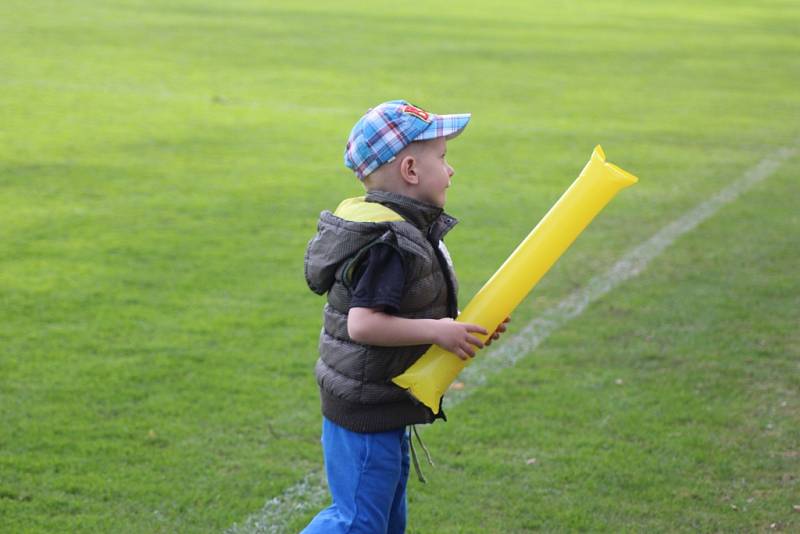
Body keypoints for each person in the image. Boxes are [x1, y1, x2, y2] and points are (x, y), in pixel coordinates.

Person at [302, 100, 508, 533]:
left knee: (386, 521)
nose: (451, 171)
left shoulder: (405, 230)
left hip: (382, 403)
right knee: (357, 522)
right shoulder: (387, 242)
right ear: (411, 171)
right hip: (364, 408)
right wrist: (439, 331)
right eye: (443, 159)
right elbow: (364, 324)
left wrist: (462, 331)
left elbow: (414, 308)